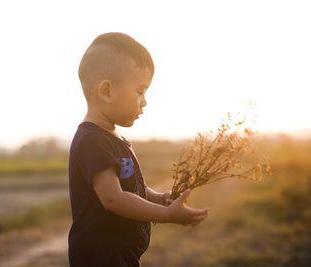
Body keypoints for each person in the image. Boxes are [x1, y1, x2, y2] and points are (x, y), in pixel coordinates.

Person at [68, 32, 209, 267]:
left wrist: (159, 199)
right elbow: (114, 198)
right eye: (140, 90)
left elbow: (133, 186)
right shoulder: (91, 141)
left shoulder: (114, 138)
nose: (144, 101)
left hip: (121, 254)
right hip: (100, 258)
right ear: (106, 91)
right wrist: (166, 215)